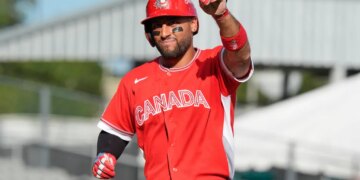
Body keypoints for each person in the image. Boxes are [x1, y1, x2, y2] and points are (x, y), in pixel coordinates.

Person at [92, 0, 253, 179]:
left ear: (193, 24)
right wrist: (105, 155)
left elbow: (241, 55)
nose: (165, 32)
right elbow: (114, 133)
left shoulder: (215, 64)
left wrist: (221, 15)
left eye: (173, 23)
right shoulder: (134, 81)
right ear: (149, 34)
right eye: (157, 26)